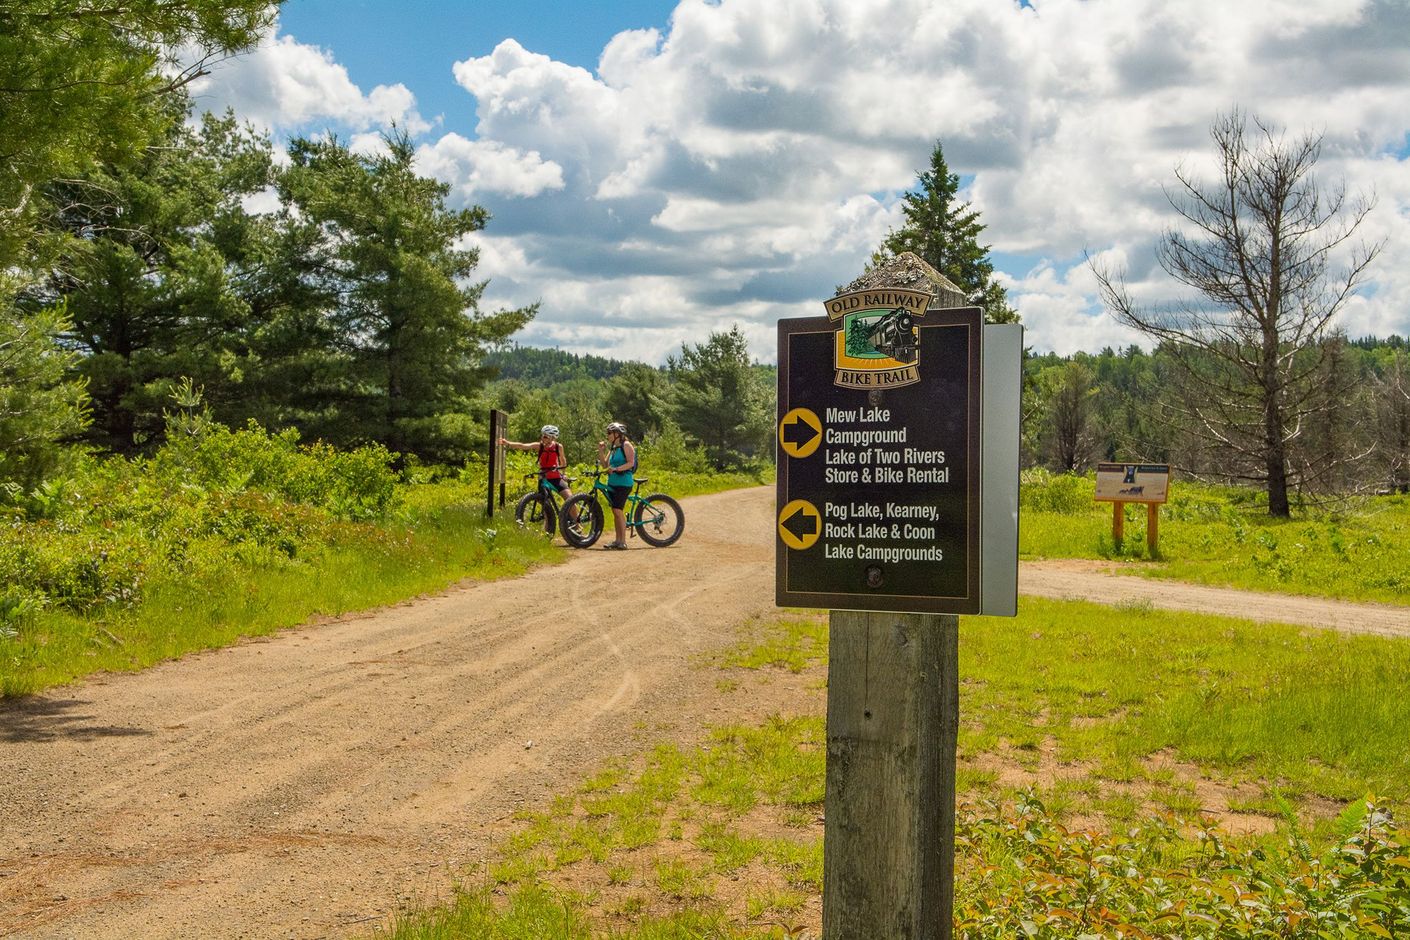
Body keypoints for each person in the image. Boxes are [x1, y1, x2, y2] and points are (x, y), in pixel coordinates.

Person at [500, 425, 578, 528]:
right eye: (542, 436)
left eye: (545, 436)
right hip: (543, 477)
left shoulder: (558, 447)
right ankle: (547, 531)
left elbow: (563, 460)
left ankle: (577, 524)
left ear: (552, 437)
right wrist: (508, 443)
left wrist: (563, 473)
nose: (542, 438)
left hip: (556, 477)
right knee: (545, 506)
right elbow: (523, 446)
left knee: (570, 499)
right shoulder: (539, 446)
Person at [596, 421, 636, 550]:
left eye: (609, 433)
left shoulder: (627, 445)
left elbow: (630, 463)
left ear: (617, 434)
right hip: (612, 482)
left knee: (618, 510)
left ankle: (623, 541)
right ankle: (617, 540)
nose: (607, 435)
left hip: (624, 483)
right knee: (615, 511)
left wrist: (617, 469)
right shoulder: (613, 448)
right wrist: (601, 451)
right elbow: (605, 465)